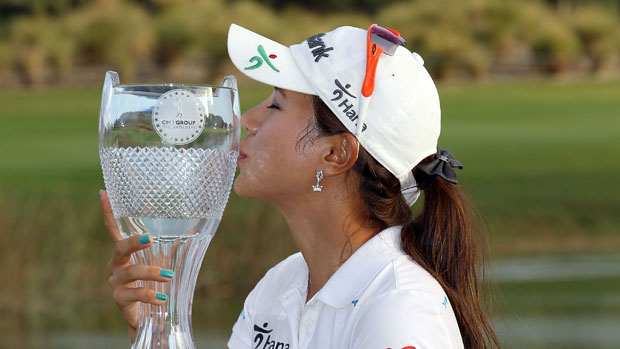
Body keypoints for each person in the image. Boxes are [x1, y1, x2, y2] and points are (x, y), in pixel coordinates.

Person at [102, 23, 500, 348]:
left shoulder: (400, 311)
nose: (247, 121)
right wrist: (156, 328)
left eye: (276, 104)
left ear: (336, 154)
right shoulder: (282, 286)